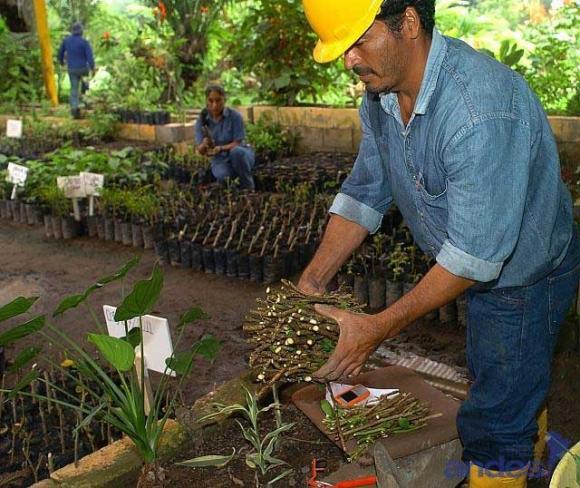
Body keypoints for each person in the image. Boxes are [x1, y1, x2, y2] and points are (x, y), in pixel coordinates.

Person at [298, 1, 579, 487]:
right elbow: (366, 191)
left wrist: (377, 327)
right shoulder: (381, 98)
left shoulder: (479, 111)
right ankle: (528, 448)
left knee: (492, 420)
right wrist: (312, 280)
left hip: (525, 275)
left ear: (407, 23)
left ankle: (510, 454)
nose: (350, 60)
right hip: (479, 265)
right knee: (504, 380)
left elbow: (475, 258)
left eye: (359, 41)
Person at [195, 85, 256, 190]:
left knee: (236, 152)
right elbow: (200, 151)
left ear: (224, 100)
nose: (215, 105)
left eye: (218, 100)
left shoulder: (234, 116)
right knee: (223, 176)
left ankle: (249, 187)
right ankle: (234, 188)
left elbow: (237, 143)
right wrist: (205, 144)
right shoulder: (202, 120)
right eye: (211, 101)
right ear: (206, 101)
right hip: (220, 160)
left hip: (241, 155)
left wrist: (221, 148)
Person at [58, 22, 95, 119]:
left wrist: (62, 62)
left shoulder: (66, 41)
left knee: (74, 88)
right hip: (83, 69)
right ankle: (85, 102)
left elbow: (60, 53)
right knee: (85, 85)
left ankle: (74, 109)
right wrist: (92, 68)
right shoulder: (84, 42)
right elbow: (90, 57)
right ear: (81, 31)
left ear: (72, 31)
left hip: (72, 69)